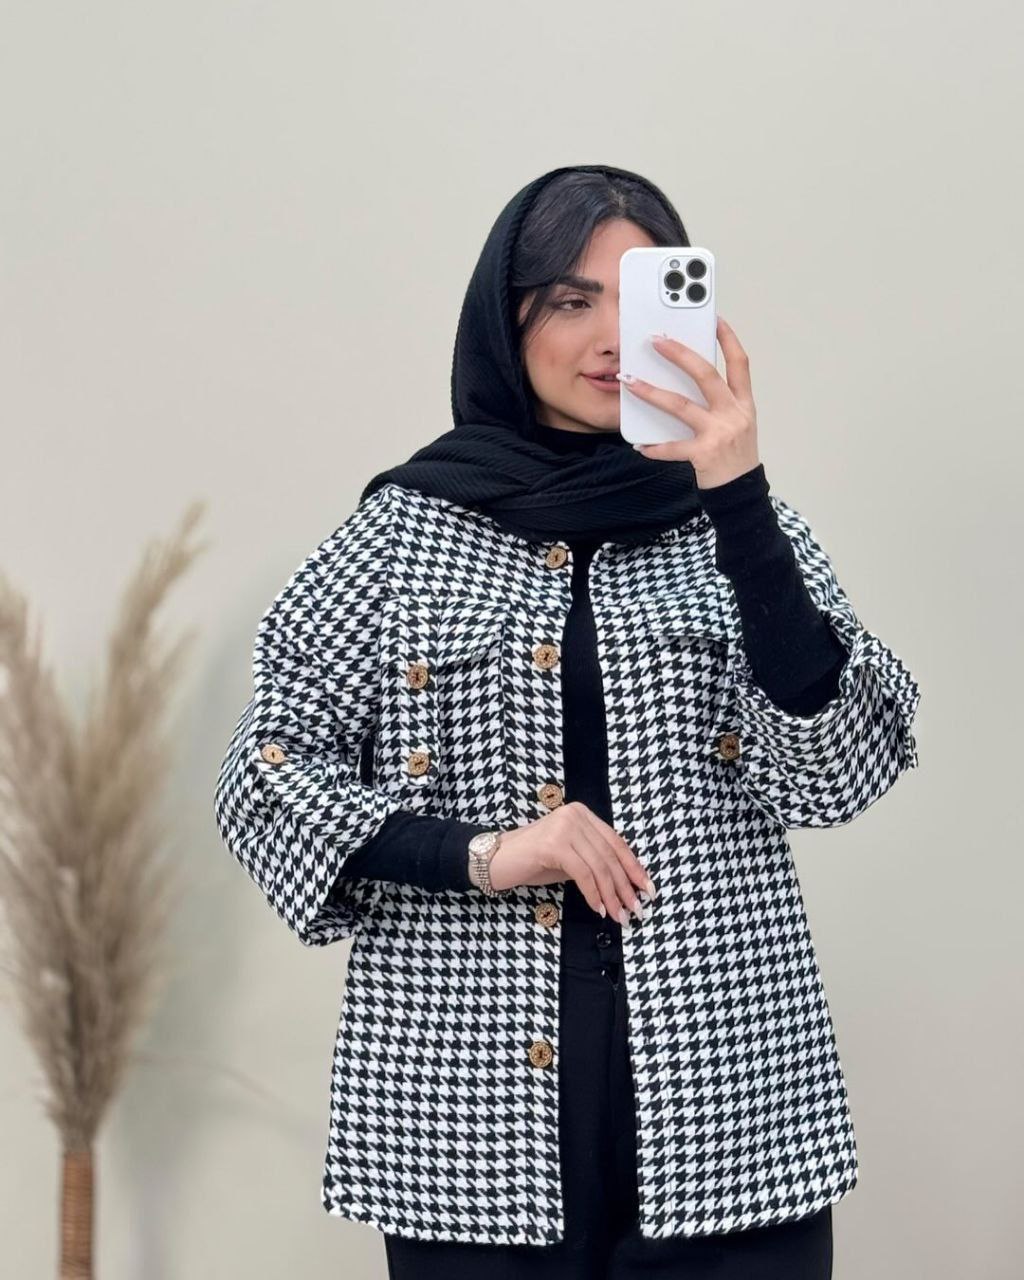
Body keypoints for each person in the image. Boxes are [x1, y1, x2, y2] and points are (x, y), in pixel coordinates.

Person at [213, 164, 921, 1279]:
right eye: (569, 300)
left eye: (641, 299)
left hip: (728, 1113)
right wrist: (487, 853)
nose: (607, 336)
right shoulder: (403, 535)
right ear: (508, 322)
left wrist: (736, 494)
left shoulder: (742, 521)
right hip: (466, 1124)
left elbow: (841, 765)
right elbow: (265, 779)